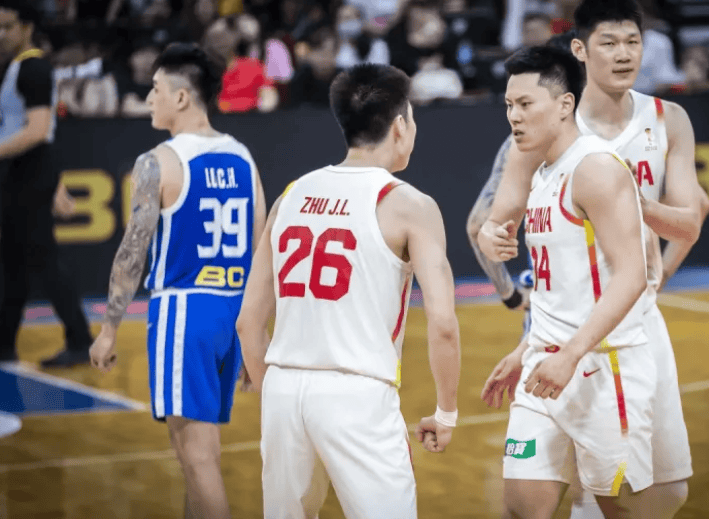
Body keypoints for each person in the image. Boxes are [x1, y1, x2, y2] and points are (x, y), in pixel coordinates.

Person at [481, 0, 709, 519]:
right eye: (610, 42)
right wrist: (495, 236)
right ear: (581, 50)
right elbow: (502, 216)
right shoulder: (544, 126)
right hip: (560, 330)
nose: (624, 54)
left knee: (661, 491)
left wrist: (629, 212)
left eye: (633, 41)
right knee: (532, 501)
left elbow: (689, 223)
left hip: (628, 326)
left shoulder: (664, 119)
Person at [235, 63, 461, 519]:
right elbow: (442, 323)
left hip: (282, 389)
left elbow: (247, 323)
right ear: (400, 126)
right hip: (357, 393)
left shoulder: (291, 194)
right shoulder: (409, 204)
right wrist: (447, 412)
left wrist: (277, 393)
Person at [89, 42, 266, 519]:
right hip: (231, 312)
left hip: (185, 312)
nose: (149, 98)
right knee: (204, 455)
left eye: (155, 89)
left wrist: (108, 329)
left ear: (182, 97)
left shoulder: (158, 161)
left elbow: (131, 253)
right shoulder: (243, 156)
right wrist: (255, 334)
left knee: (196, 458)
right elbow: (260, 252)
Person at [478, 45, 655, 519]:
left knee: (618, 509)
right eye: (509, 105)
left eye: (525, 104)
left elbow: (633, 275)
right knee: (521, 508)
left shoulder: (595, 168)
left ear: (564, 105)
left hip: (604, 367)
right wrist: (526, 350)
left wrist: (571, 354)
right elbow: (558, 288)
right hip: (544, 364)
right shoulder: (540, 172)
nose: (514, 116)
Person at [0, 0, 93, 367]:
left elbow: (38, 131)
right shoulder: (15, 68)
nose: (0, 34)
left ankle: (80, 339)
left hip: (29, 172)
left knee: (42, 259)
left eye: (7, 26)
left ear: (26, 28)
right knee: (13, 262)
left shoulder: (33, 69)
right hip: (23, 173)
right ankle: (4, 344)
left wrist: (49, 182)